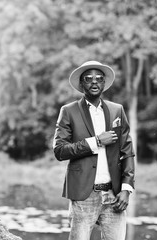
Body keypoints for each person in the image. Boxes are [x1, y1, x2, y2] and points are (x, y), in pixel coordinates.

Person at [53, 61, 135, 240]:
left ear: (104, 83)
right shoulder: (68, 111)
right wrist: (96, 141)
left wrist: (126, 188)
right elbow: (60, 151)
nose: (94, 82)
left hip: (115, 195)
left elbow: (127, 151)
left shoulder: (117, 111)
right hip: (84, 195)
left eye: (99, 78)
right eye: (88, 79)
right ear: (81, 84)